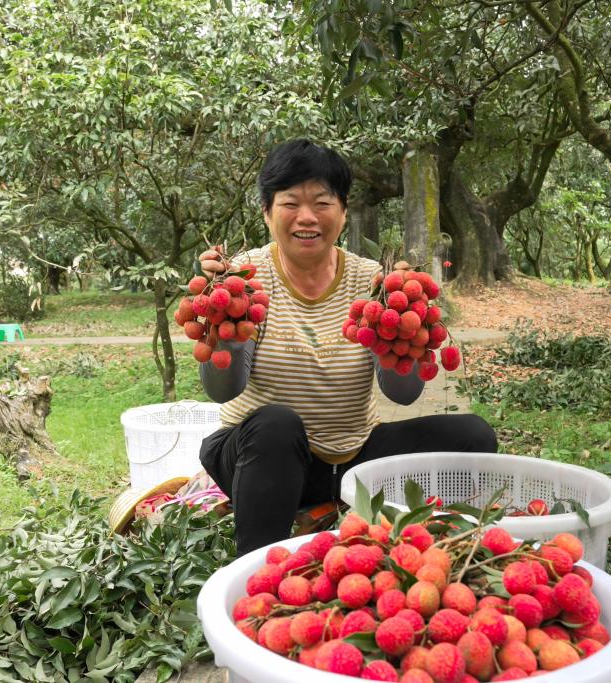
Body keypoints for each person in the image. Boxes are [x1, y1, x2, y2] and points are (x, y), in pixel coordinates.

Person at [196, 139, 497, 557]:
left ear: (342, 212)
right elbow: (222, 390)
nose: (307, 217)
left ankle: (444, 547)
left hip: (352, 462)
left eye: (322, 203)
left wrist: (403, 329)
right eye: (290, 203)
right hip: (259, 456)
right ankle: (259, 568)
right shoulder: (245, 278)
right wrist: (223, 318)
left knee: (472, 436)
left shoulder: (372, 282)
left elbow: (403, 394)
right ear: (266, 212)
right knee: (277, 424)